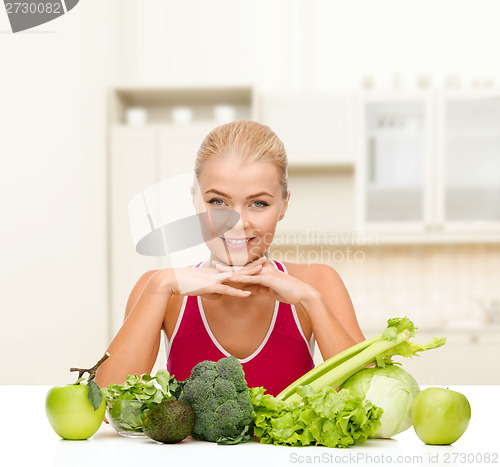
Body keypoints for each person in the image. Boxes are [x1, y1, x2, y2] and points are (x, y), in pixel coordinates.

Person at [95, 120, 365, 396]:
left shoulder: (318, 282)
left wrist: (311, 301)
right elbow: (107, 402)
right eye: (217, 202)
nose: (237, 223)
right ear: (195, 201)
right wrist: (161, 283)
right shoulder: (160, 289)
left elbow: (371, 398)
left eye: (258, 203)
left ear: (283, 205)